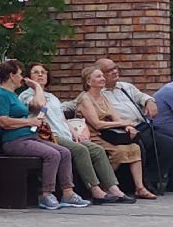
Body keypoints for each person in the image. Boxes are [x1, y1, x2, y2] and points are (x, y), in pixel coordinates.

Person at [19, 62, 130, 204]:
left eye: (43, 72)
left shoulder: (52, 97)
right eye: (36, 72)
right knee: (80, 150)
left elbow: (62, 118)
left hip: (64, 134)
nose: (40, 74)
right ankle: (95, 190)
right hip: (48, 136)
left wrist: (74, 133)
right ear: (28, 77)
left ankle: (113, 188)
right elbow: (38, 106)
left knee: (97, 150)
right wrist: (36, 87)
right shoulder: (27, 95)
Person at [0, 59, 88, 210]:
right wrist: (29, 123)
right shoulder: (0, 95)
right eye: (19, 74)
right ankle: (46, 194)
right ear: (11, 75)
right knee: (52, 154)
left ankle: (68, 192)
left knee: (64, 152)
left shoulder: (12, 95)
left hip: (29, 136)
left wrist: (34, 122)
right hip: (14, 141)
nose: (22, 78)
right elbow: (2, 121)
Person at [75, 65, 156, 200]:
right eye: (98, 76)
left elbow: (115, 117)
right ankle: (104, 186)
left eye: (102, 76)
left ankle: (140, 188)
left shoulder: (103, 97)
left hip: (109, 134)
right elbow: (97, 124)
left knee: (134, 148)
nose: (102, 79)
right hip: (93, 135)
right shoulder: (85, 99)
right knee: (119, 152)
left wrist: (128, 128)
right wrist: (124, 123)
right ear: (89, 82)